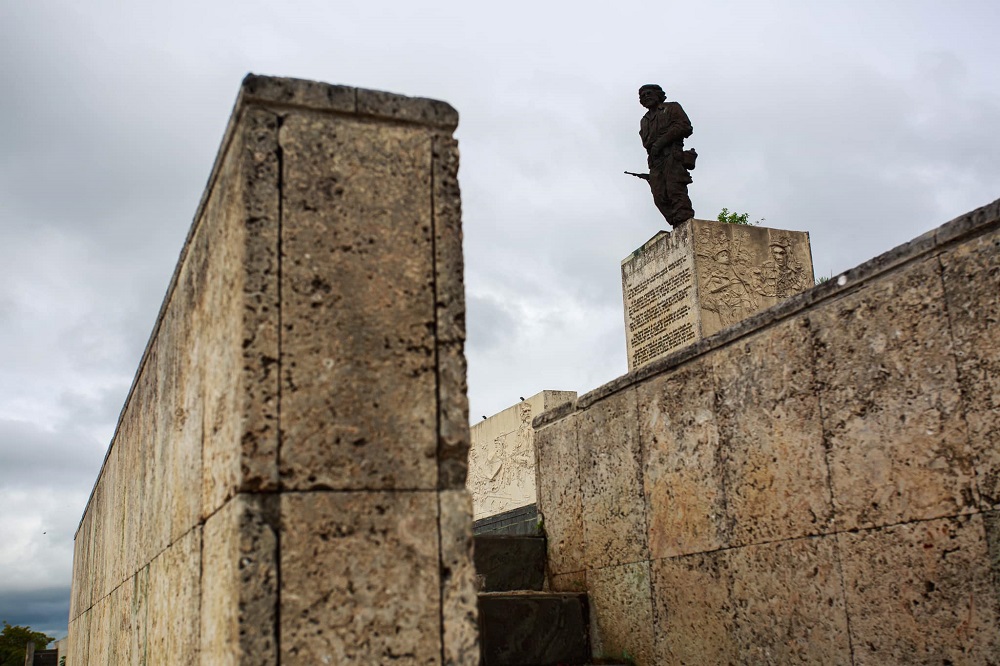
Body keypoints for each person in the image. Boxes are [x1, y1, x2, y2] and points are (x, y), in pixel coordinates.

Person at [638, 84, 695, 227]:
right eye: (642, 96)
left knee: (675, 189)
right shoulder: (644, 121)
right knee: (659, 196)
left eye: (649, 93)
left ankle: (684, 222)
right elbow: (646, 142)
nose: (646, 97)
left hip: (672, 155)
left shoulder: (672, 108)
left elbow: (684, 126)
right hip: (655, 161)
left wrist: (661, 141)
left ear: (658, 95)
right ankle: (676, 223)